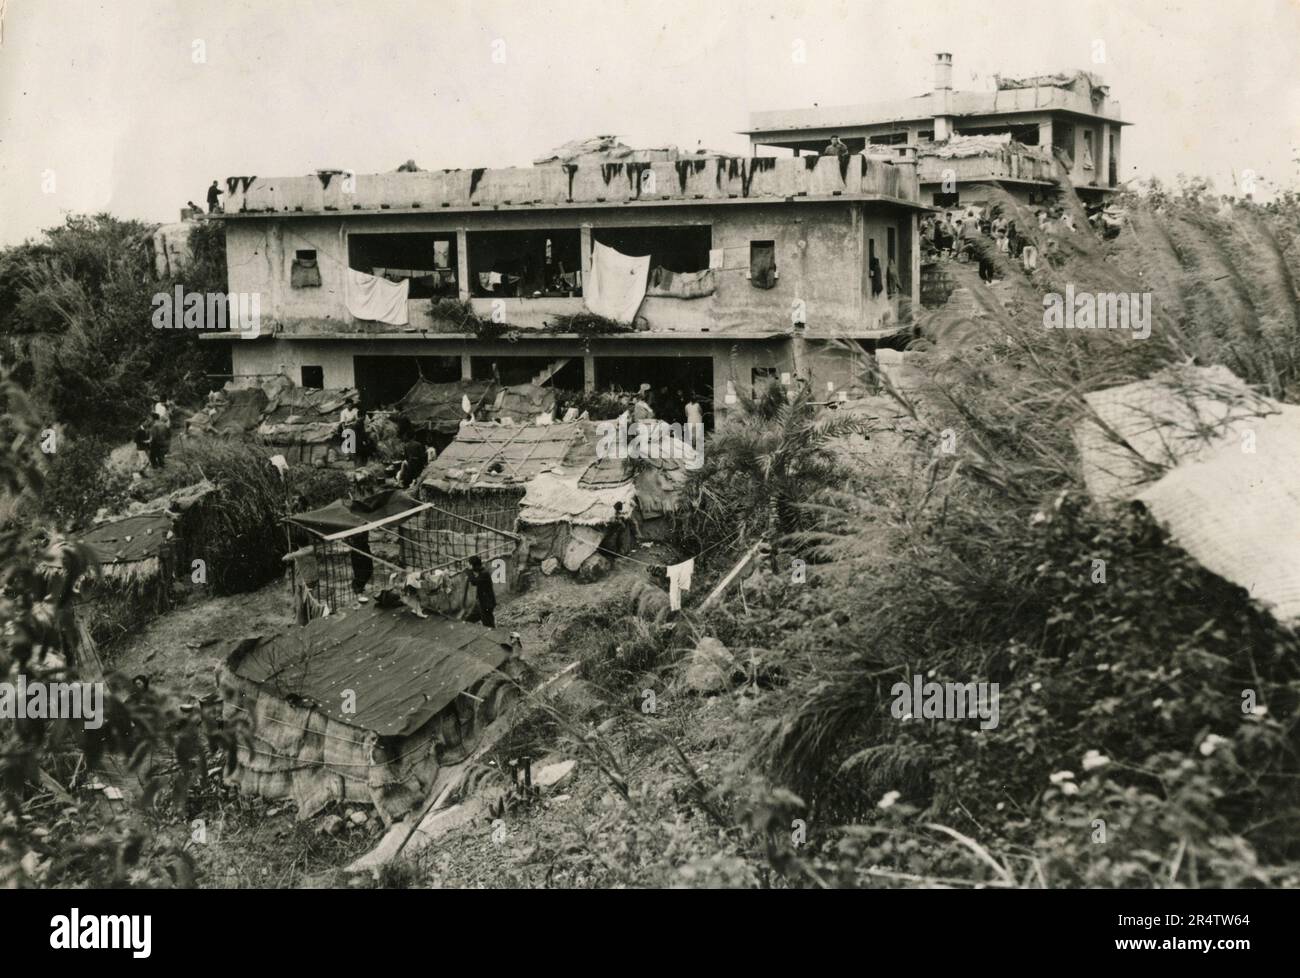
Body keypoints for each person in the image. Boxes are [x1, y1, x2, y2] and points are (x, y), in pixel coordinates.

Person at [463, 555, 496, 628]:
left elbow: (474, 581)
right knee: (469, 620)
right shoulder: (481, 571)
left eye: (472, 566)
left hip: (486, 604)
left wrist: (469, 571)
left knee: (488, 625)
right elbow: (474, 582)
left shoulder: (484, 573)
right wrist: (470, 571)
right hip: (481, 603)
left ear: (475, 565)